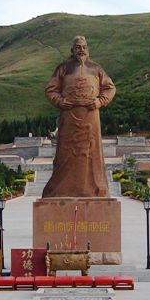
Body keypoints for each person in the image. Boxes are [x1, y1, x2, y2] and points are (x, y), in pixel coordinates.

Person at [42, 36, 116, 197]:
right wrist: (60, 101)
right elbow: (50, 89)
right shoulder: (63, 68)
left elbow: (110, 88)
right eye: (77, 47)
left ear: (87, 49)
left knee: (92, 151)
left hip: (91, 114)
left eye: (83, 47)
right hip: (69, 114)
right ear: (72, 50)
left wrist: (100, 101)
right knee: (66, 152)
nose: (81, 50)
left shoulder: (96, 68)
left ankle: (96, 188)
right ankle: (60, 189)